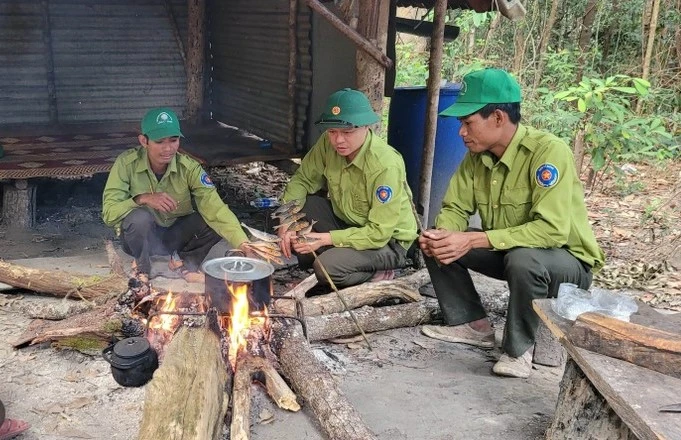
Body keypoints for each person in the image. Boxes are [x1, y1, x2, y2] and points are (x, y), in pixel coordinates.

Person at [418, 68, 605, 378]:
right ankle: (472, 324)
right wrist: (443, 234)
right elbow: (454, 208)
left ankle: (519, 351)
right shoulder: (476, 158)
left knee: (523, 259)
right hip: (511, 253)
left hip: (565, 263)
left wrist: (473, 240)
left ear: (499, 118)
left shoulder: (548, 152)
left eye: (468, 124)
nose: (462, 133)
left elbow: (551, 231)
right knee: (434, 240)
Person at [278, 88, 418, 288]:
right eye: (332, 132)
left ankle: (376, 273)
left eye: (347, 132)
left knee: (326, 268)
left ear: (366, 127)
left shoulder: (385, 164)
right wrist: (286, 220)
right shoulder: (328, 144)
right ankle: (339, 256)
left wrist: (326, 238)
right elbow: (302, 181)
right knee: (304, 205)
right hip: (349, 224)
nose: (338, 140)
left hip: (387, 243)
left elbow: (379, 233)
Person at [102, 107, 250, 282]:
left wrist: (243, 243)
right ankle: (142, 269)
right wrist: (142, 199)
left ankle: (184, 263)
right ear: (144, 141)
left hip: (175, 236)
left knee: (212, 219)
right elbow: (109, 214)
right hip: (140, 237)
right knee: (138, 218)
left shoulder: (189, 168)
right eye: (160, 142)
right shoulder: (126, 164)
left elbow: (215, 207)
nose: (168, 149)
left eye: (173, 140)